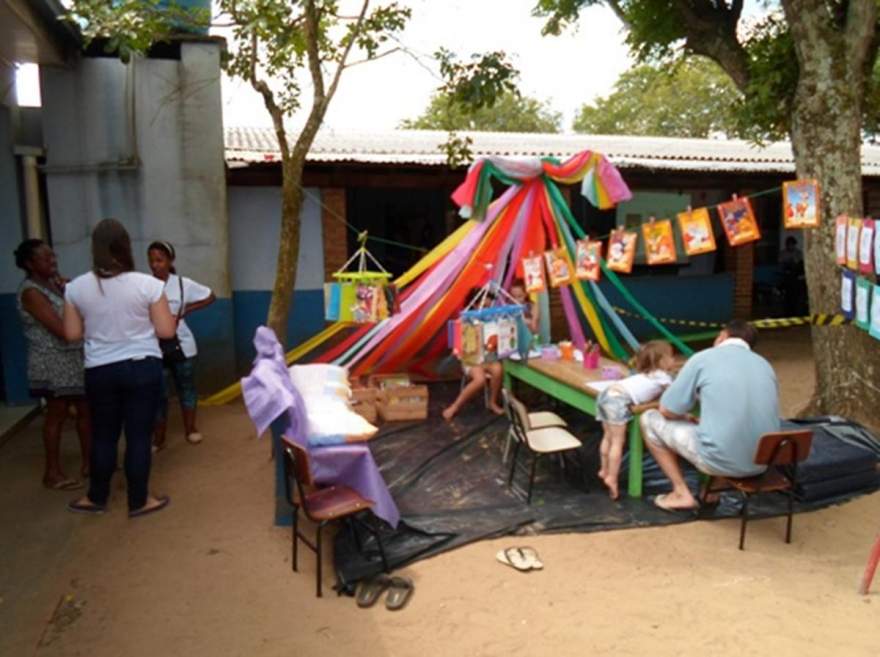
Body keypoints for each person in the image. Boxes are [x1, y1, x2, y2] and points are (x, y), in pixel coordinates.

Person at [63, 219, 177, 517]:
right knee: (139, 435)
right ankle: (139, 501)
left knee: (103, 435)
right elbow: (166, 332)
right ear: (126, 247)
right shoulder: (148, 285)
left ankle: (95, 498)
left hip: (99, 370)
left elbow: (72, 334)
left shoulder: (75, 288)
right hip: (142, 368)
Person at [640, 320, 780, 511]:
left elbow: (667, 409)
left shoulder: (703, 358)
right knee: (728, 430)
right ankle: (713, 491)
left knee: (649, 419)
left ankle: (681, 492)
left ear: (722, 336)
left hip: (720, 459)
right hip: (762, 462)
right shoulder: (765, 365)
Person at [14, 239, 91, 490]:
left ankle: (91, 463)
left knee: (85, 410)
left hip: (72, 359)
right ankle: (52, 473)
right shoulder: (32, 292)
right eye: (46, 258)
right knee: (56, 415)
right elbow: (60, 329)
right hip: (52, 362)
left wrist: (69, 291)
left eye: (53, 256)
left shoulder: (53, 286)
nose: (53, 262)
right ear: (30, 264)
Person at [147, 241, 216, 450]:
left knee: (186, 387)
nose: (155, 265)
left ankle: (191, 429)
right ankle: (159, 439)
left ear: (170, 261)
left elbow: (210, 296)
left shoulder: (182, 284)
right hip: (154, 347)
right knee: (158, 393)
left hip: (183, 346)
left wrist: (187, 310)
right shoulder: (145, 285)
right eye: (151, 261)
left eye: (159, 260)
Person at [597, 340, 675, 500]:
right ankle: (612, 477)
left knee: (608, 437)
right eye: (672, 357)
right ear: (662, 361)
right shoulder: (663, 377)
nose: (674, 360)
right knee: (618, 442)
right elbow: (675, 395)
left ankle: (604, 469)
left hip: (605, 395)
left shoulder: (644, 374)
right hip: (617, 400)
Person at [442, 288, 504, 421]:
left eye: (490, 306)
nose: (488, 310)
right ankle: (455, 406)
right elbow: (460, 345)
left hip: (488, 358)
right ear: (475, 305)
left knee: (498, 369)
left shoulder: (493, 319)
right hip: (472, 359)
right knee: (480, 379)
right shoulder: (466, 320)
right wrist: (460, 348)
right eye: (485, 306)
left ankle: (492, 402)